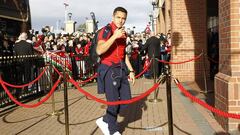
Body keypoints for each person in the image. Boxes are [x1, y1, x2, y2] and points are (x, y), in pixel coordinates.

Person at [95, 7, 135, 135]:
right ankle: (112, 131)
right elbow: (99, 50)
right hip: (109, 69)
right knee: (113, 103)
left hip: (121, 69)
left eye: (124, 18)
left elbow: (123, 54)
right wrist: (114, 36)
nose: (121, 21)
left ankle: (105, 119)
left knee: (126, 101)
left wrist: (131, 70)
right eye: (118, 17)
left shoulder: (124, 33)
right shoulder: (106, 30)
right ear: (113, 17)